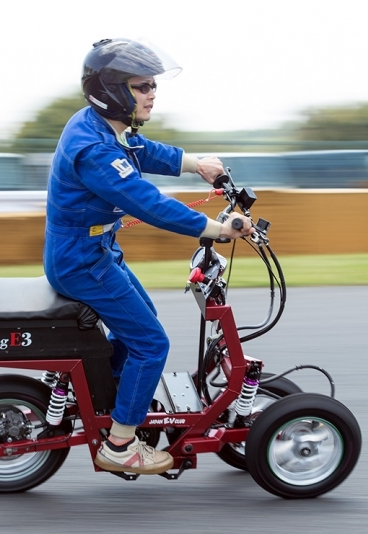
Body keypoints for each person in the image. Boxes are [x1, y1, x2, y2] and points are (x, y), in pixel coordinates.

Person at [43, 38, 254, 475]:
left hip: (94, 252)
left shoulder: (98, 127)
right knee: (152, 343)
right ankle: (120, 446)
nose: (153, 93)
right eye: (142, 86)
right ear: (114, 90)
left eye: (153, 85)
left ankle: (120, 398)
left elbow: (143, 151)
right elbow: (148, 203)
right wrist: (218, 229)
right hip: (82, 261)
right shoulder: (95, 150)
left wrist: (197, 164)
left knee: (145, 321)